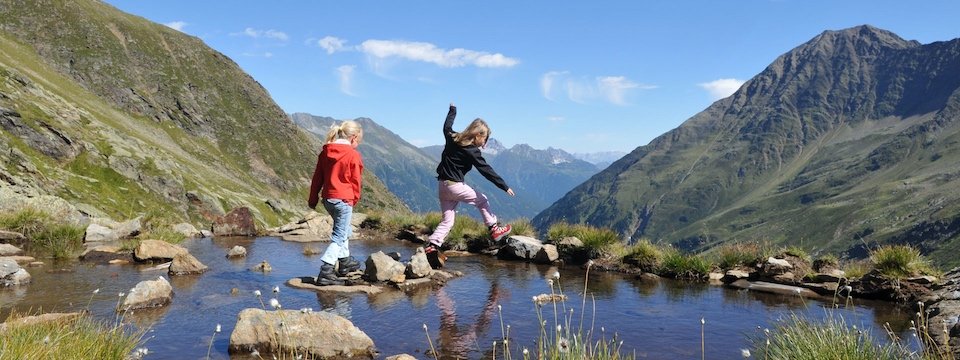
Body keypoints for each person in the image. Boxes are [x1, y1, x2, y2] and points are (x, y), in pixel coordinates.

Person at [426, 102, 515, 269]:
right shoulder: (472, 151)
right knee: (482, 200)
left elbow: (447, 126)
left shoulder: (451, 137)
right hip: (455, 186)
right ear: (477, 135)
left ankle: (432, 246)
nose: (485, 142)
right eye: (485, 138)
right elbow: (486, 170)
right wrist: (504, 186)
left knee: (447, 221)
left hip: (442, 186)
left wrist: (452, 111)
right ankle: (494, 229)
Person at [308, 120, 364, 286]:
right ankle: (326, 270)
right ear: (353, 137)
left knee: (344, 229)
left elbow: (317, 177)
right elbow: (356, 181)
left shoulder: (325, 152)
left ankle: (345, 262)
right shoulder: (353, 155)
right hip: (344, 199)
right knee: (339, 236)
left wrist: (313, 198)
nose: (358, 145)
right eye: (358, 141)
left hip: (328, 199)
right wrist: (354, 199)